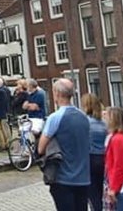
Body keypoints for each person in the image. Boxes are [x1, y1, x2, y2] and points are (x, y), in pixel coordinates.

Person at [38, 78, 89, 211]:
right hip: (83, 178)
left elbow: (41, 148)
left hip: (63, 179)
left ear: (57, 93)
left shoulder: (55, 118)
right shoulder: (83, 117)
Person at [82, 93, 106, 211]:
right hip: (104, 159)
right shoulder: (104, 123)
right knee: (101, 191)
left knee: (93, 193)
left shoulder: (85, 123)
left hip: (90, 158)